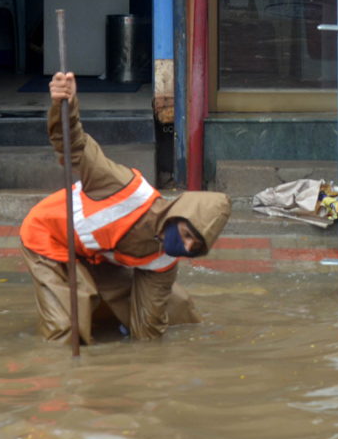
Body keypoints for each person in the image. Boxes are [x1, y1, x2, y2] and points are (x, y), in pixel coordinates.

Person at [20, 73, 232, 344]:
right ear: (176, 215)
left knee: (176, 309)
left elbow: (149, 325)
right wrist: (66, 104)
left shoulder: (165, 260)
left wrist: (148, 367)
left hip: (96, 255)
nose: (186, 247)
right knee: (66, 331)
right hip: (47, 238)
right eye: (188, 235)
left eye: (195, 247)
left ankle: (94, 307)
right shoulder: (123, 186)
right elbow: (73, 145)